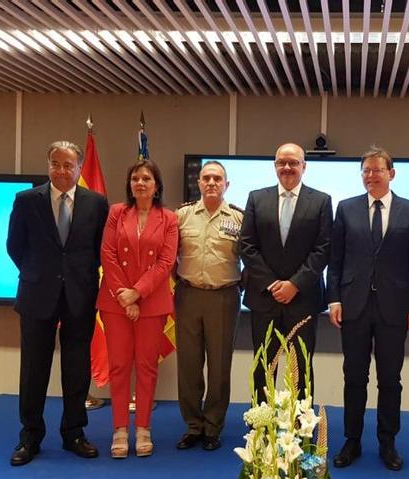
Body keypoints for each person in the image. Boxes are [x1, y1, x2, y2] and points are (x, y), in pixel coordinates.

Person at [6, 140, 109, 466]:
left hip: (80, 295)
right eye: (55, 164)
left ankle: (74, 433)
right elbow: (15, 246)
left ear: (79, 168)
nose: (61, 171)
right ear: (48, 165)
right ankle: (30, 436)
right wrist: (40, 274)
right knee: (33, 369)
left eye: (68, 165)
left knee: (77, 368)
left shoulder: (96, 203)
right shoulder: (26, 200)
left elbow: (99, 250)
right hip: (37, 294)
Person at [326, 147, 409, 471]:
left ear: (391, 173)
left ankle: (388, 443)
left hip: (394, 309)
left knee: (390, 380)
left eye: (377, 170)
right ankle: (351, 441)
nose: (371, 176)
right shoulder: (346, 208)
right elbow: (336, 260)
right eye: (366, 171)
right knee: (354, 377)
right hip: (353, 306)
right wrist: (334, 299)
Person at [96, 159, 178, 458]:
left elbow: (166, 263)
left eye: (146, 179)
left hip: (152, 304)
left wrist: (137, 293)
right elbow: (107, 254)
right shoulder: (117, 213)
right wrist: (123, 295)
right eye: (135, 179)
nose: (140, 183)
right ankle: (119, 429)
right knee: (119, 367)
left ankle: (143, 428)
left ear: (156, 186)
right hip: (115, 303)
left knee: (146, 368)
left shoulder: (168, 218)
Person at [240, 143, 332, 403]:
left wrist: (294, 284)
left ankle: (301, 430)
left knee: (301, 368)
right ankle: (261, 431)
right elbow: (247, 245)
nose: (287, 167)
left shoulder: (321, 201)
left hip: (303, 299)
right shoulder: (257, 198)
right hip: (264, 298)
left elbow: (323, 248)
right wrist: (272, 283)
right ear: (275, 166)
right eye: (282, 162)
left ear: (304, 166)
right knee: (263, 367)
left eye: (293, 162)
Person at [174, 161, 243, 452]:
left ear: (226, 184)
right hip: (188, 296)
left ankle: (213, 426)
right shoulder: (182, 216)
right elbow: (167, 257)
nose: (212, 182)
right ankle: (193, 426)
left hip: (223, 298)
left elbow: (251, 259)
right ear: (199, 183)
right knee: (188, 365)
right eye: (206, 178)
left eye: (217, 178)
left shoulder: (240, 219)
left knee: (219, 367)